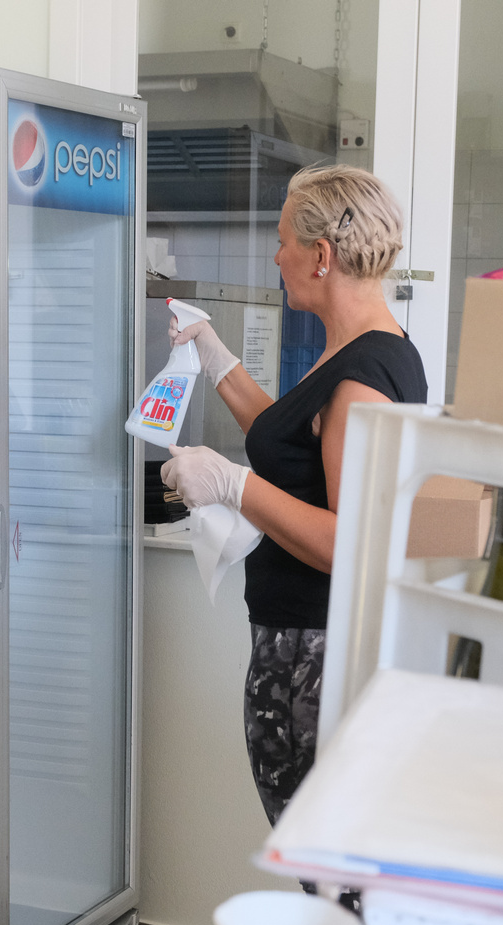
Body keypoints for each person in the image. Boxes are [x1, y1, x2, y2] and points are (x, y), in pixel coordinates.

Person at [161, 164, 429, 826]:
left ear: (321, 255)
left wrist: (232, 484)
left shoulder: (362, 379)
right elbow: (292, 442)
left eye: (283, 242)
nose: (276, 258)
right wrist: (217, 359)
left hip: (316, 656)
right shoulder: (364, 351)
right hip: (302, 643)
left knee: (320, 850)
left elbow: (346, 543)